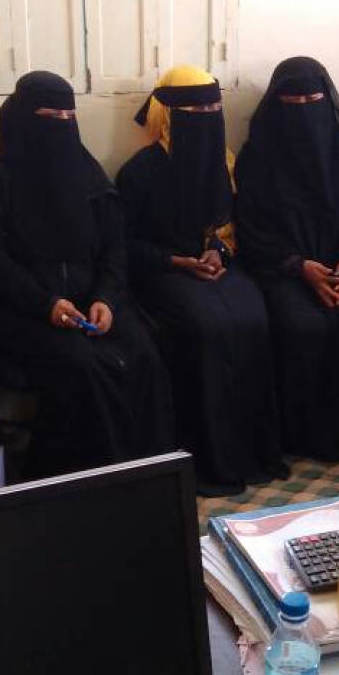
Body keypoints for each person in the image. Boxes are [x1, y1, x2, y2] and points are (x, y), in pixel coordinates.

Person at [0, 71, 174, 477]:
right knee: (83, 367)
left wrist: (106, 299)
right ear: (22, 119)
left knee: (145, 356)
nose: (61, 126)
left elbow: (114, 247)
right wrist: (45, 304)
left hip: (93, 300)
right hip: (25, 310)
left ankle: (153, 476)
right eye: (50, 117)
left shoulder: (87, 173)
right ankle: (97, 482)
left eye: (69, 116)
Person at [117, 65, 285, 495]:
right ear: (169, 115)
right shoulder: (140, 171)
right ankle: (208, 457)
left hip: (214, 266)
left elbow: (231, 225)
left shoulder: (223, 164)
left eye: (214, 109)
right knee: (207, 326)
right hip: (161, 273)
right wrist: (177, 260)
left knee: (252, 315)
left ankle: (252, 451)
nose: (207, 118)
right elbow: (124, 245)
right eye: (195, 111)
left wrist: (218, 252)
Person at [235, 57, 339, 461]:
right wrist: (300, 267)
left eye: (312, 100)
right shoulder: (258, 156)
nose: (304, 110)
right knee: (304, 327)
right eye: (293, 102)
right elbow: (253, 229)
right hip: (285, 267)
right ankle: (301, 435)